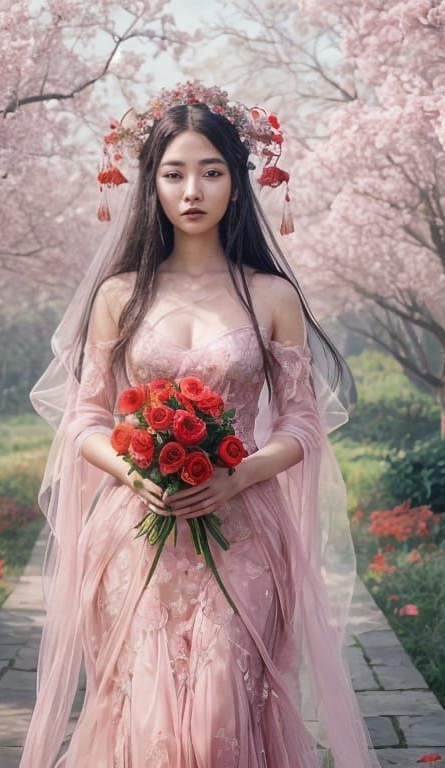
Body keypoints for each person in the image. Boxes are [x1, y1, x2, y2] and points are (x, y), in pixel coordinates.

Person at [20, 81, 379, 767]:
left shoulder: (271, 295)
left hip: (243, 526)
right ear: (150, 184)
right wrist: (133, 471)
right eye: (174, 173)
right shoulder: (120, 295)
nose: (192, 191)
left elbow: (303, 421)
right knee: (147, 710)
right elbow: (86, 416)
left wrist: (239, 473)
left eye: (211, 172)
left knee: (221, 709)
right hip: (136, 529)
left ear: (237, 184)